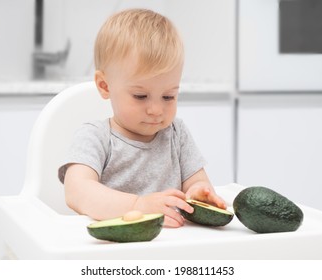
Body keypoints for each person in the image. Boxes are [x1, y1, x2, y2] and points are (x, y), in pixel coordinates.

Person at [58, 8, 226, 228]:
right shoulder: (96, 137)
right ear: (105, 86)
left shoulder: (176, 134)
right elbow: (77, 192)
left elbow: (197, 181)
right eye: (140, 96)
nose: (156, 109)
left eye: (168, 96)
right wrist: (138, 205)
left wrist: (198, 193)